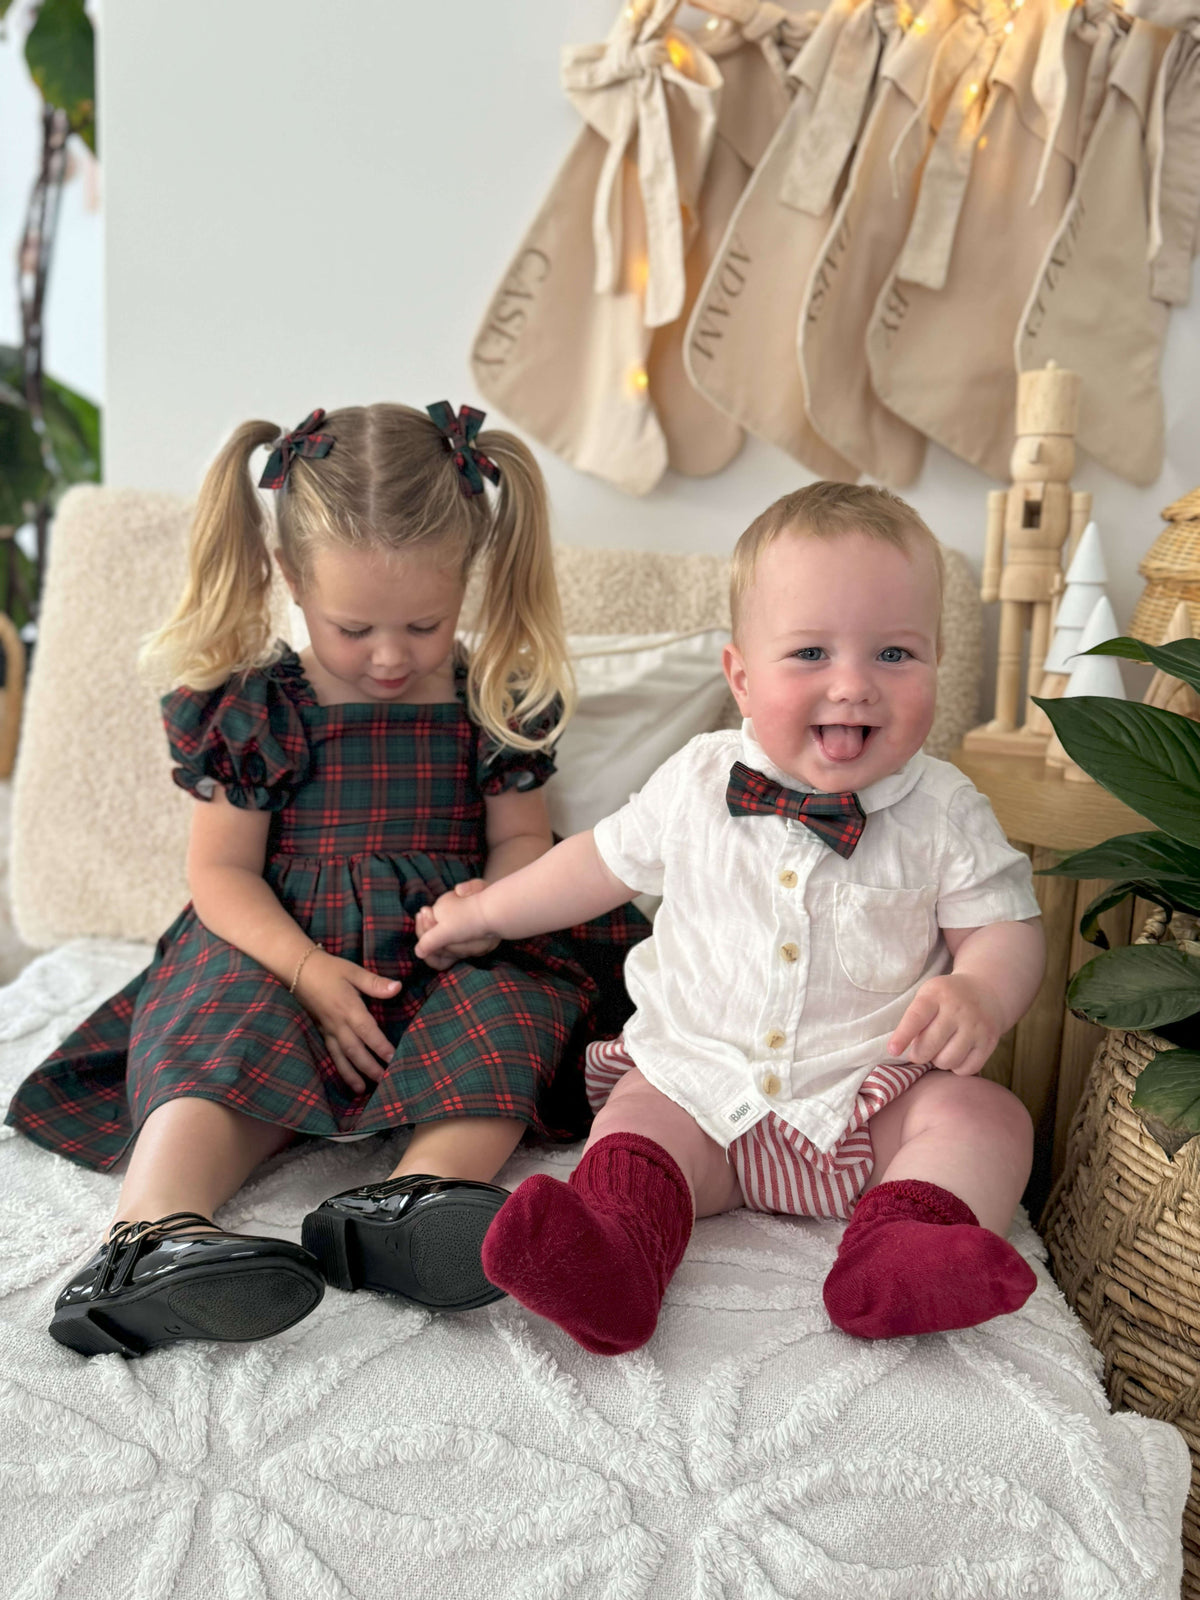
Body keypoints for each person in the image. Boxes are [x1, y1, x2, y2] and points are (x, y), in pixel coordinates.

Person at [7, 401, 645, 1358]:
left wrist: (487, 902)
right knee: (219, 1026)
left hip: (439, 950)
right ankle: (150, 1237)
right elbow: (219, 873)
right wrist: (304, 968)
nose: (391, 656)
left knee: (514, 1008)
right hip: (284, 944)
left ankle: (409, 1204)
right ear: (292, 579)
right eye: (355, 628)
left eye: (424, 625)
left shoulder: (495, 695)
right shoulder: (258, 703)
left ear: (466, 579)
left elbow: (524, 842)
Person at [414, 481, 1046, 1356]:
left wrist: (981, 986)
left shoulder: (947, 810)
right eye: (812, 653)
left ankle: (899, 1245)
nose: (854, 685)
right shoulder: (698, 780)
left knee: (987, 1119)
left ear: (938, 661)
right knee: (635, 1116)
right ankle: (615, 1256)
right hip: (702, 1094)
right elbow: (594, 864)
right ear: (741, 677)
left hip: (869, 1110)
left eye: (896, 655)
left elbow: (1005, 926)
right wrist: (487, 911)